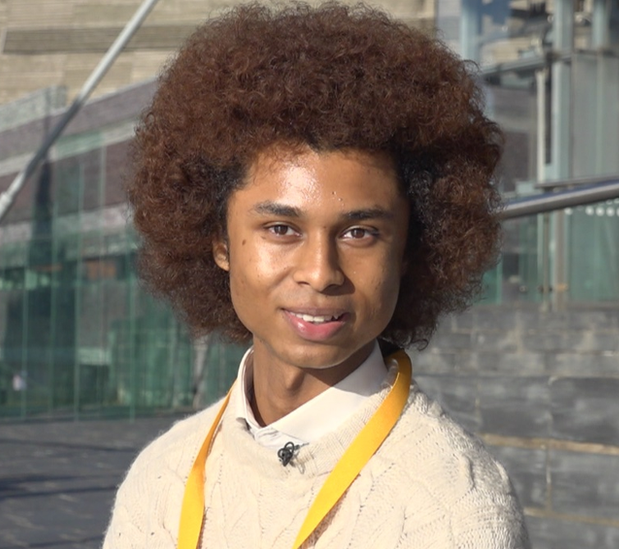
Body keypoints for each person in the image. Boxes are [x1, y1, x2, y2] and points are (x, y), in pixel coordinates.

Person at [104, 3, 530, 548]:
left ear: (408, 251)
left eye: (360, 233)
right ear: (218, 242)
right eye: (281, 228)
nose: (320, 272)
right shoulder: (162, 475)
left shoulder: (450, 509)